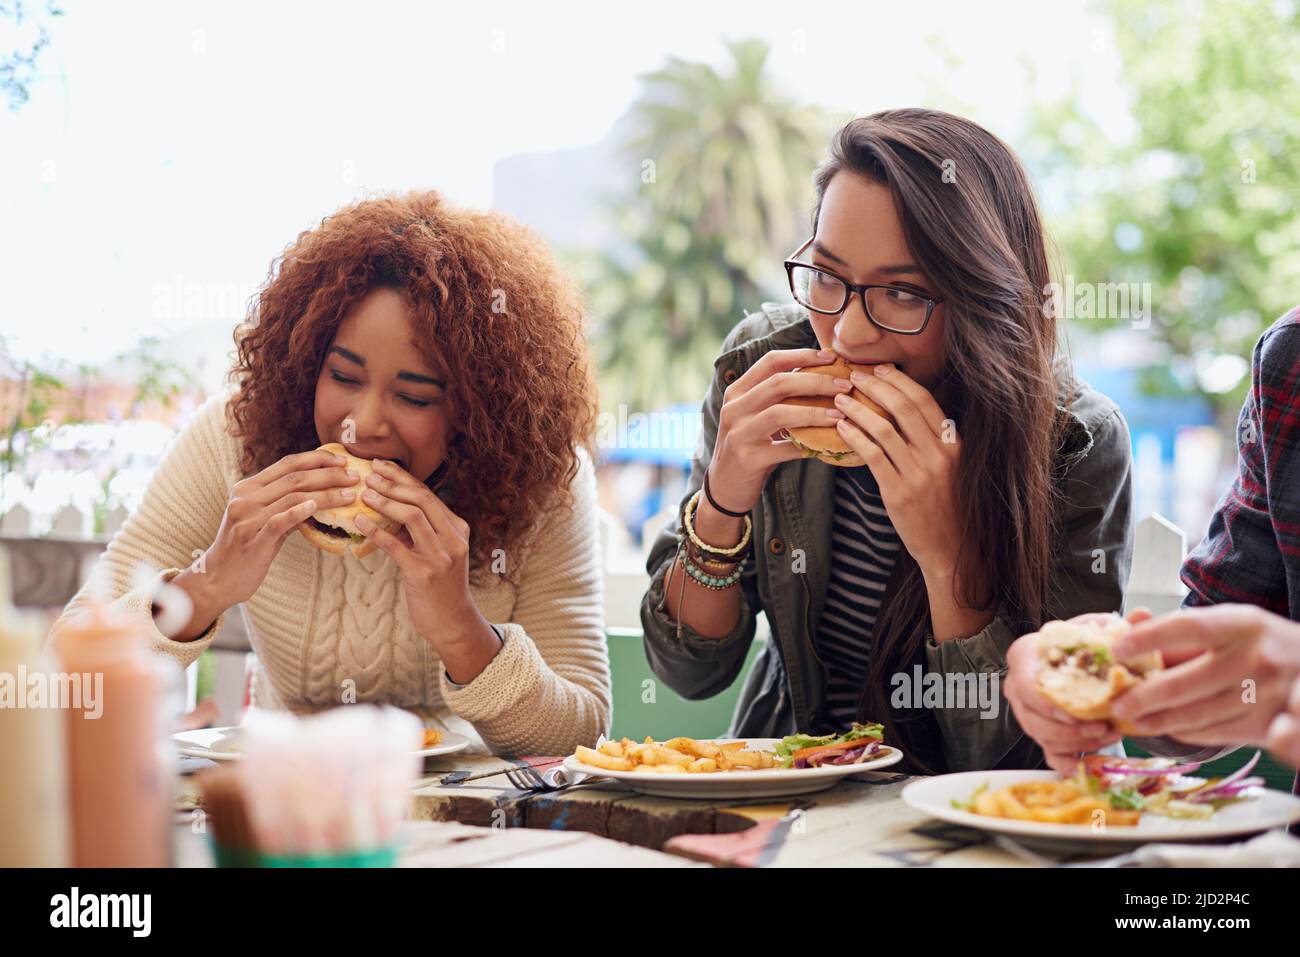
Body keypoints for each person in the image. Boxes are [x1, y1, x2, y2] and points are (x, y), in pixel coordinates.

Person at [641, 108, 1139, 773]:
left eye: (901, 292)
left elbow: (1020, 757)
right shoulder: (763, 367)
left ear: (984, 303)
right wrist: (723, 499)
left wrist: (945, 554)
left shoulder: (1076, 443)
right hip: (792, 791)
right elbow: (687, 669)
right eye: (826, 275)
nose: (847, 333)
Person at [52, 191, 610, 756]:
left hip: (478, 814)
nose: (362, 425)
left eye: (414, 397)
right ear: (306, 363)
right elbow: (70, 680)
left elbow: (582, 733)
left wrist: (461, 630)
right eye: (343, 377)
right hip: (281, 795)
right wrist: (207, 585)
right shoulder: (233, 439)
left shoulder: (543, 478)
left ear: (479, 410)